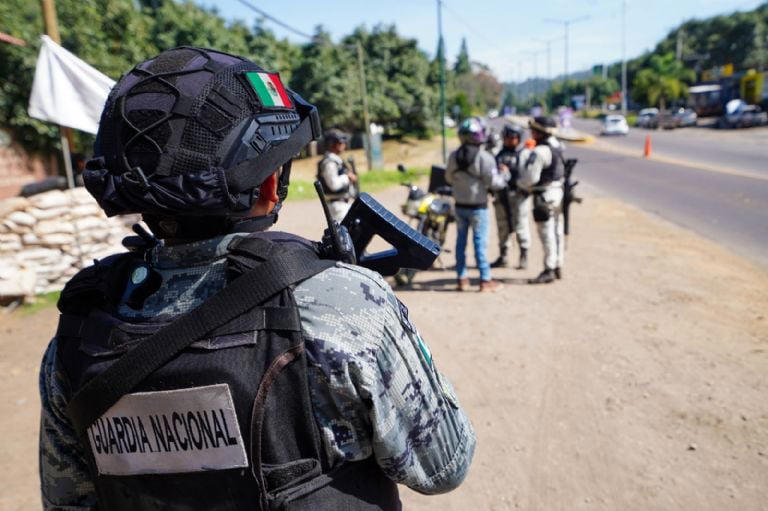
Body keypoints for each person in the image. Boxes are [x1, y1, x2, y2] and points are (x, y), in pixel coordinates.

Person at [38, 47, 475, 511]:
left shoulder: (79, 334)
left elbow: (68, 501)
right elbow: (444, 464)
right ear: (270, 185)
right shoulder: (343, 303)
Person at [445, 117, 509, 292]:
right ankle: (485, 280)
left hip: (460, 206)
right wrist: (505, 176)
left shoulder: (453, 156)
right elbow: (494, 182)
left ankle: (461, 278)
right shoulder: (485, 157)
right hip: (478, 207)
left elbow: (449, 178)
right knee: (480, 243)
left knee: (460, 243)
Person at [517, 116, 566, 284]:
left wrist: (518, 183)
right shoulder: (557, 146)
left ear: (540, 132)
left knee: (547, 234)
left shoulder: (540, 151)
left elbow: (529, 179)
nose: (531, 133)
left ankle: (549, 269)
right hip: (558, 192)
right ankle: (558, 264)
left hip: (544, 196)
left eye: (534, 130)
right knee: (557, 231)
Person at [490, 123, 530, 269]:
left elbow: (527, 177)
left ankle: (524, 255)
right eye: (507, 137)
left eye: (512, 137)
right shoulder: (498, 155)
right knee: (502, 226)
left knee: (521, 226)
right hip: (501, 196)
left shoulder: (523, 155)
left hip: (518, 196)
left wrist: (510, 173)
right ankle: (503, 256)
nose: (509, 140)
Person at [317, 128, 357, 222]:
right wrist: (347, 177)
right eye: (340, 142)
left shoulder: (336, 161)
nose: (343, 145)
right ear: (332, 144)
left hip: (343, 203)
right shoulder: (329, 163)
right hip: (337, 206)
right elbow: (333, 185)